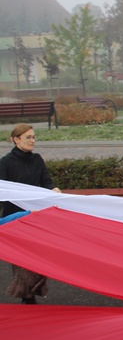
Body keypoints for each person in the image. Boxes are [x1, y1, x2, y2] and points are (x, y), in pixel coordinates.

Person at [0, 123, 61, 303]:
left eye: (34, 137)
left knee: (39, 256)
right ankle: (27, 295)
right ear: (16, 139)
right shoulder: (5, 162)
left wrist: (54, 189)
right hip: (16, 217)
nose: (32, 141)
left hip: (37, 214)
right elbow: (3, 190)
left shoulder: (37, 159)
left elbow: (45, 181)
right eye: (28, 137)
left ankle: (33, 291)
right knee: (22, 259)